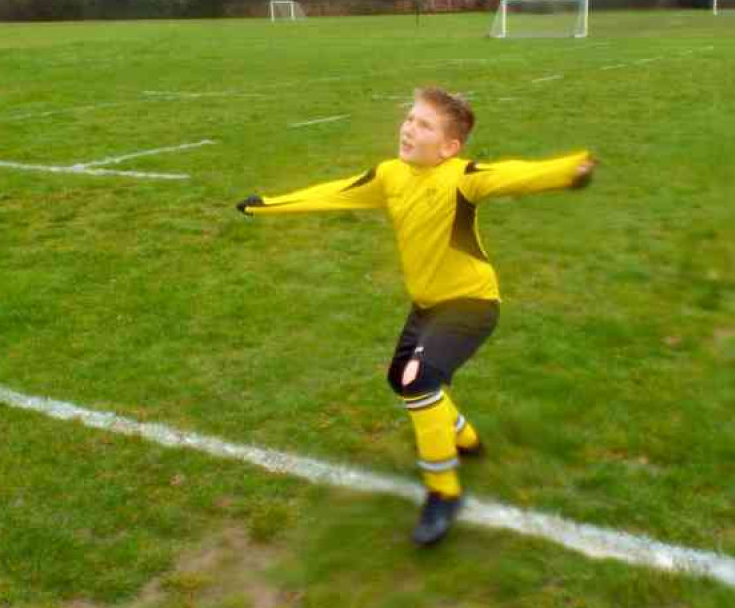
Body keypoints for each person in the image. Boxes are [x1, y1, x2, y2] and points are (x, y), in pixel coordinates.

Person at [237, 87, 596, 545]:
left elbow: (513, 175)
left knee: (418, 379)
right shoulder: (389, 175)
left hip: (471, 303)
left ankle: (444, 493)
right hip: (426, 305)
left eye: (424, 125)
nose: (409, 128)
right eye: (409, 119)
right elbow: (336, 193)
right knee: (400, 379)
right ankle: (464, 437)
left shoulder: (463, 177)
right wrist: (269, 203)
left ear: (449, 147)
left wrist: (571, 170)